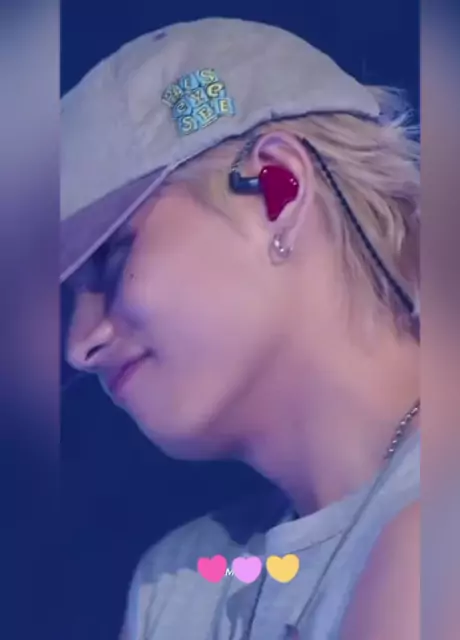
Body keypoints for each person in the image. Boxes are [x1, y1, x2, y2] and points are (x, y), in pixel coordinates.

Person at [62, 17, 420, 640]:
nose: (79, 346)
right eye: (68, 300)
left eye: (113, 259)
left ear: (277, 190)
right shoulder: (177, 587)